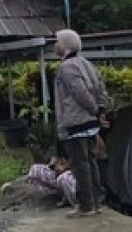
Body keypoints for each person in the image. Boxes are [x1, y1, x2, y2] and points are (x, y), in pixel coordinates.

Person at [53, 28, 110, 218]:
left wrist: (94, 109)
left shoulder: (67, 67)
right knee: (91, 162)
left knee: (80, 165)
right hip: (91, 124)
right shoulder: (87, 63)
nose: (55, 45)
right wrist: (100, 111)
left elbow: (80, 93)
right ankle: (96, 201)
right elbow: (101, 87)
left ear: (66, 45)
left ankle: (86, 205)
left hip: (76, 122)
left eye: (58, 41)